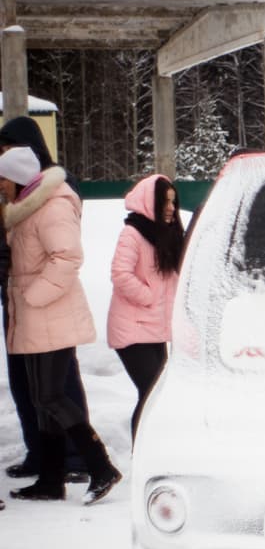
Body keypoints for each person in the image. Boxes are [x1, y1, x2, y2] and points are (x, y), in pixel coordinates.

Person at [0, 147, 122, 504]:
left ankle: (102, 467)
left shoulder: (52, 207)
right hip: (35, 316)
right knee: (41, 399)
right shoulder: (25, 210)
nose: (0, 186)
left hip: (52, 313)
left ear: (18, 178)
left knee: (52, 395)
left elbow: (68, 257)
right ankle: (52, 480)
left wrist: (32, 296)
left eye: (3, 179)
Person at [0, 116, 91, 483]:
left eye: (7, 150)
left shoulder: (54, 191)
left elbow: (65, 254)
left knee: (58, 383)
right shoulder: (15, 193)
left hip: (46, 304)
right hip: (18, 300)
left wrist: (33, 296)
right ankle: (40, 452)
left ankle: (78, 458)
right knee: (25, 382)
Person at [108, 174, 185, 442]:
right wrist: (149, 297)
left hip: (154, 329)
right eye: (164, 202)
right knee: (151, 392)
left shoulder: (167, 235)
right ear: (148, 202)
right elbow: (120, 274)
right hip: (131, 329)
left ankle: (157, 449)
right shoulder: (133, 233)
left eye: (173, 202)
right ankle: (141, 452)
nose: (170, 208)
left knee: (157, 394)